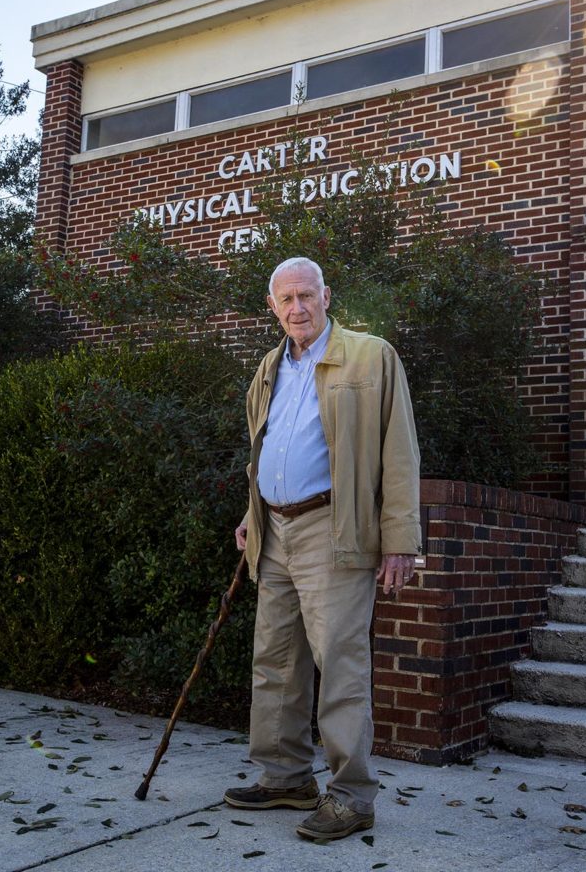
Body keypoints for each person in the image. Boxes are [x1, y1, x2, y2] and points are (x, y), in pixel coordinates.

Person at [223, 256, 421, 841]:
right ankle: (284, 776)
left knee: (340, 662)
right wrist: (251, 513)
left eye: (306, 295)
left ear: (326, 295)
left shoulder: (370, 355)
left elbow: (400, 453)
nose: (297, 308)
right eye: (286, 299)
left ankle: (352, 795)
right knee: (275, 660)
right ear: (272, 307)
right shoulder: (268, 367)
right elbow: (270, 450)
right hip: (275, 530)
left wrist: (401, 540)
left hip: (336, 527)